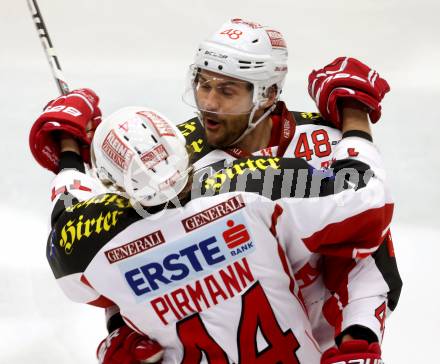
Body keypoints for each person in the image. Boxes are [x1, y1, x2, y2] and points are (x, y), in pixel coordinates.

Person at [29, 18, 401, 363]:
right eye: (203, 84)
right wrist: (355, 112)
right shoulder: (181, 156)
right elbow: (366, 195)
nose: (208, 102)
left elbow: (87, 241)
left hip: (315, 334)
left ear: (268, 93)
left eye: (226, 90)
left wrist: (71, 159)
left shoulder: (320, 141)